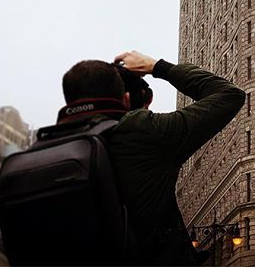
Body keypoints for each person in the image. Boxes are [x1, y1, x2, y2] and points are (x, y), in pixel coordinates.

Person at [58, 50, 245, 266]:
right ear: (127, 100)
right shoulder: (142, 131)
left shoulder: (43, 152)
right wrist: (157, 66)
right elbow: (230, 95)